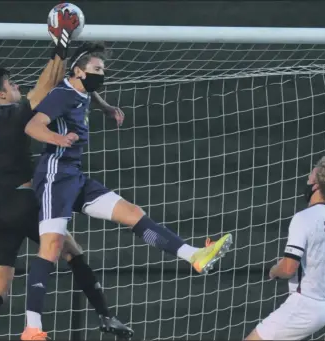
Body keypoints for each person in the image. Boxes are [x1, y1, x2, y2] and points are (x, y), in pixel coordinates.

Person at [21, 41, 233, 340]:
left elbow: (87, 93)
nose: (102, 74)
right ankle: (32, 328)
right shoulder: (61, 95)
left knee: (133, 214)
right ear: (78, 71)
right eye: (97, 69)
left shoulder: (80, 89)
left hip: (76, 177)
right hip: (55, 177)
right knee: (52, 248)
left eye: (103, 69)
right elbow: (32, 126)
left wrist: (106, 106)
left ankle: (195, 255)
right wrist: (59, 139)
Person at [0, 16, 132, 341]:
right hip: (24, 201)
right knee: (72, 252)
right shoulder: (16, 114)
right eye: (11, 84)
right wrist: (60, 46)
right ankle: (106, 315)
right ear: (0, 96)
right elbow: (45, 87)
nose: (17, 87)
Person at [245, 156, 325, 340]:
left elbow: (288, 268)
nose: (307, 181)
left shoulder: (304, 218)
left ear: (316, 185)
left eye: (310, 177)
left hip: (304, 305)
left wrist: (275, 270)